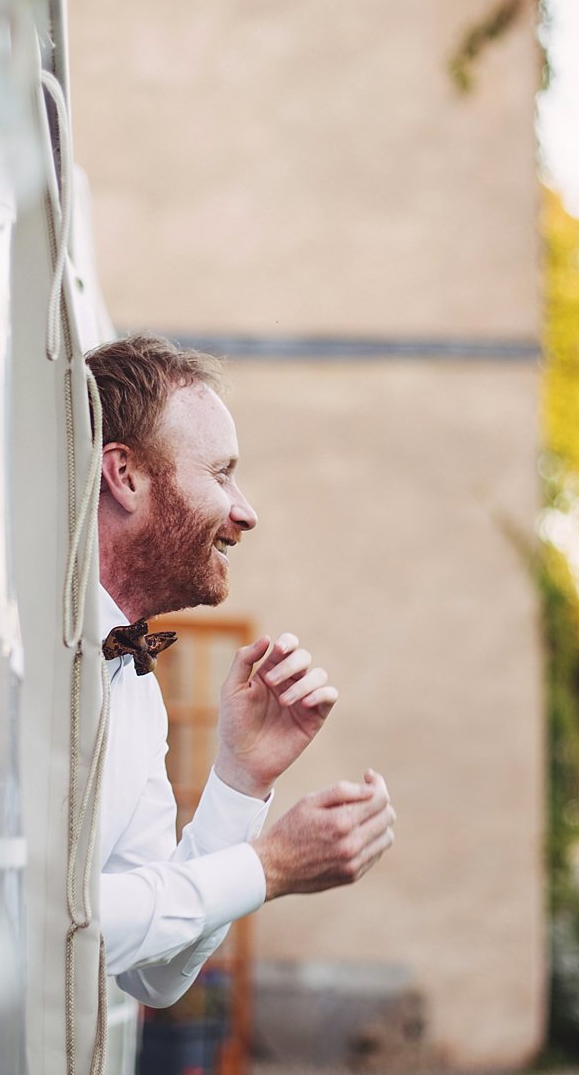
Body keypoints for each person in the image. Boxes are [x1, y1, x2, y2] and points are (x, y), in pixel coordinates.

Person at [87, 334, 396, 1008]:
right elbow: (45, 925)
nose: (246, 512)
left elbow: (155, 976)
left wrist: (240, 778)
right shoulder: (15, 652)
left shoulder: (134, 687)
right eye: (221, 474)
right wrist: (269, 866)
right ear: (125, 475)